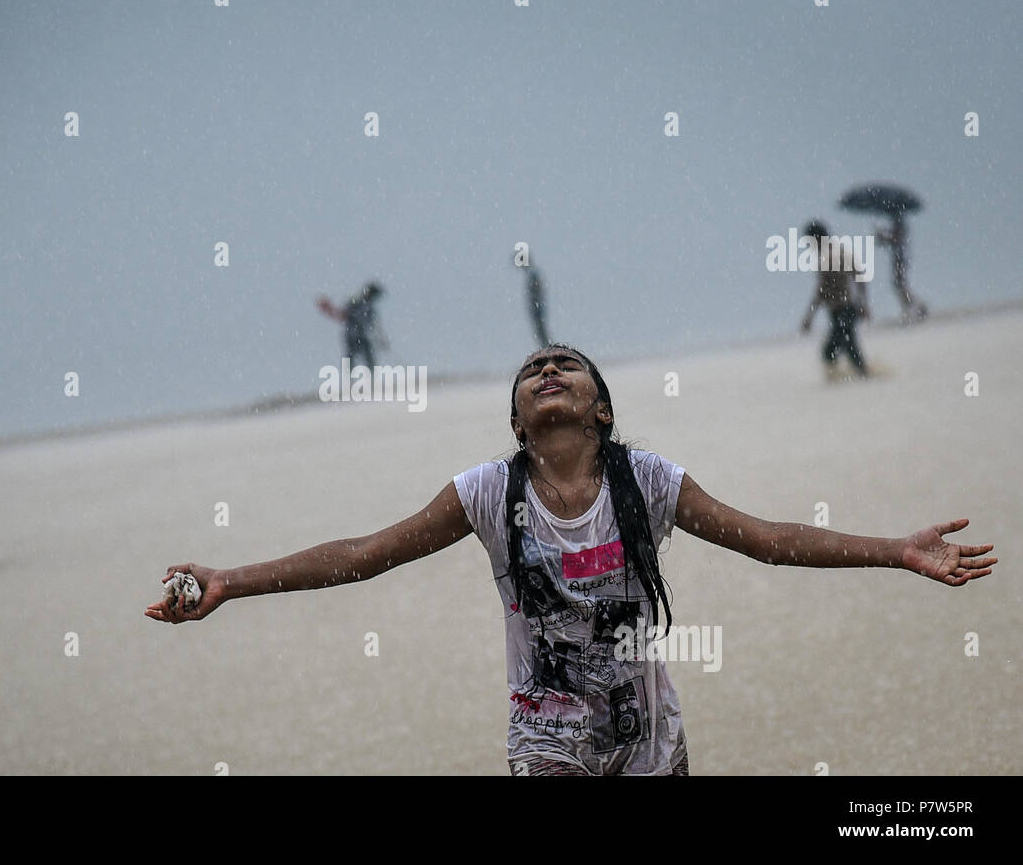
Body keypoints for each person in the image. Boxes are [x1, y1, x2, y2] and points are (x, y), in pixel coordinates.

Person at [145, 344, 996, 775]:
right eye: (532, 370)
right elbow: (362, 555)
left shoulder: (649, 481)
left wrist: (896, 551)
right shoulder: (485, 493)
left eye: (568, 366)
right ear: (519, 421)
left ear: (602, 409)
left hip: (650, 742)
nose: (548, 369)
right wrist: (232, 580)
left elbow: (770, 540)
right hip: (545, 743)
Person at [800, 220, 871, 380]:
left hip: (843, 310)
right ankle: (858, 377)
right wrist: (863, 304)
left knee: (835, 351)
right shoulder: (839, 252)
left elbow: (820, 293)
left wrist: (809, 317)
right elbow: (860, 278)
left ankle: (857, 379)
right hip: (845, 309)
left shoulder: (829, 257)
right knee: (845, 347)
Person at [317, 282, 388, 369]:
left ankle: (370, 378)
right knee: (351, 359)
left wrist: (381, 339)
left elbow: (374, 325)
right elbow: (344, 314)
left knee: (368, 359)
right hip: (352, 336)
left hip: (362, 337)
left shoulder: (370, 309)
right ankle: (349, 379)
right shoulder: (356, 302)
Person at [875, 215, 929, 324]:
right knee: (899, 285)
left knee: (899, 285)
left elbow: (895, 239)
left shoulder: (900, 225)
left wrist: (882, 236)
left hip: (900, 259)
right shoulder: (899, 225)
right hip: (899, 258)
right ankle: (912, 308)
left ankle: (915, 308)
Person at [523, 261, 551, 348]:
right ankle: (547, 348)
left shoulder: (533, 275)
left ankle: (547, 348)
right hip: (536, 310)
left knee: (540, 332)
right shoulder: (532, 275)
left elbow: (536, 293)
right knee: (540, 332)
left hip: (537, 310)